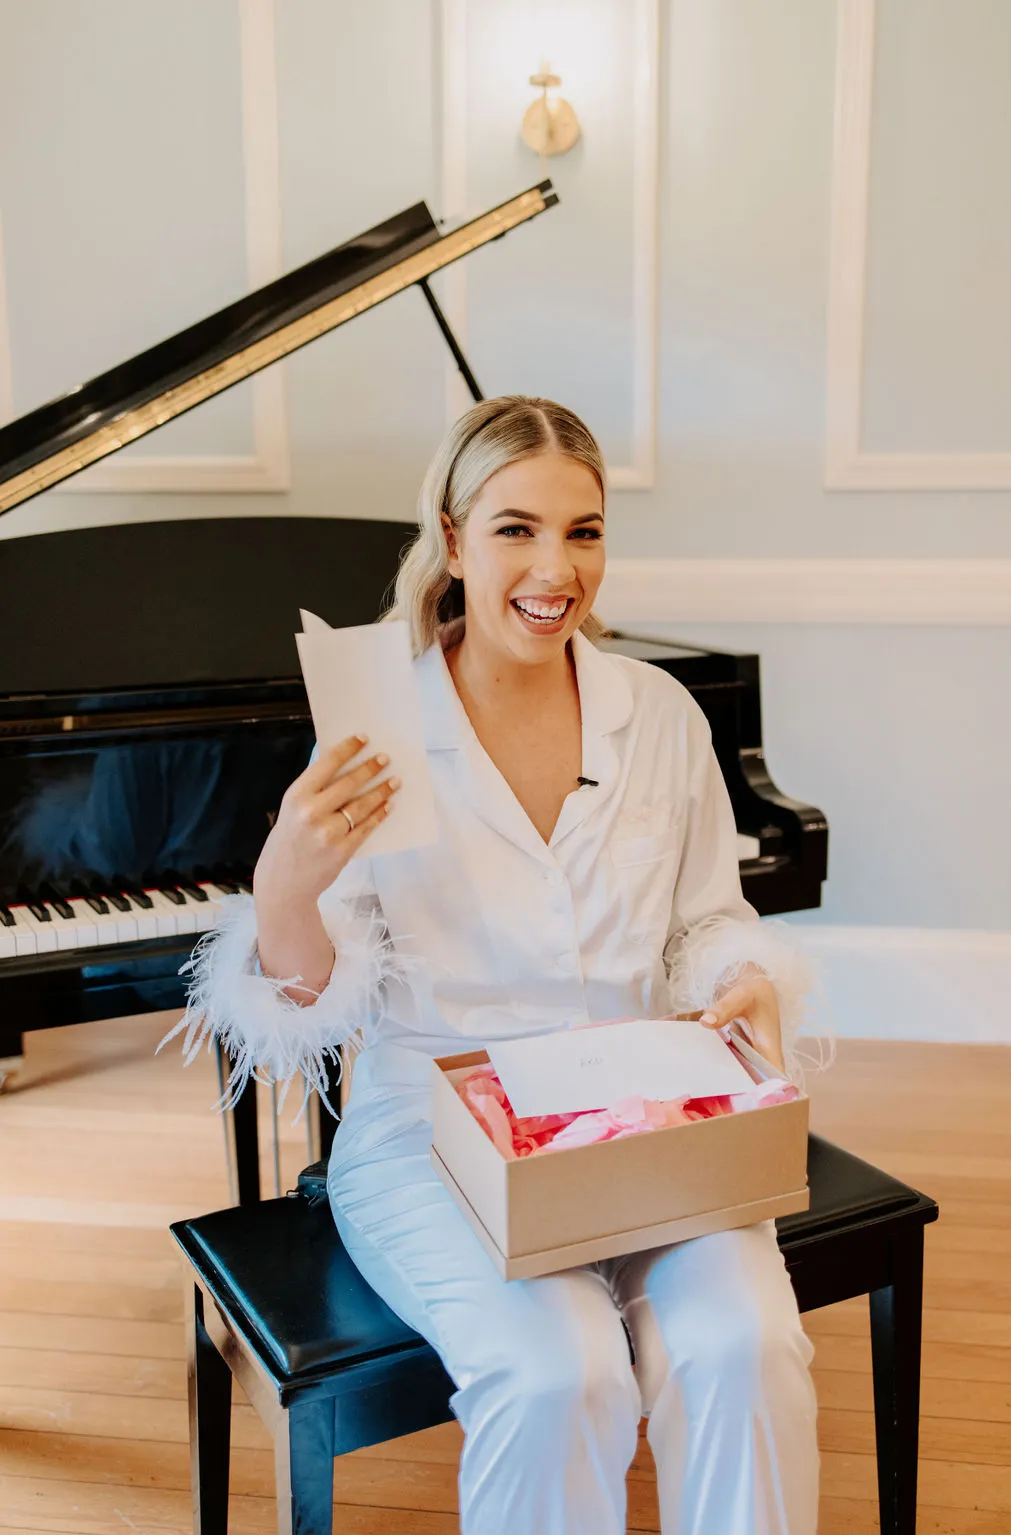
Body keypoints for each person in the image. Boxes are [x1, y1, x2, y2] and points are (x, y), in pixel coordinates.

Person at [175, 396, 823, 1535]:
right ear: (454, 532)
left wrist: (741, 975)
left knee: (744, 1339)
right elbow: (310, 1012)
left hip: (643, 1113)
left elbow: (705, 920)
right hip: (432, 1131)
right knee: (556, 1373)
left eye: (583, 530)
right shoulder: (376, 726)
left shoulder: (659, 712)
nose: (554, 567)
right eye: (516, 527)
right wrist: (286, 881)